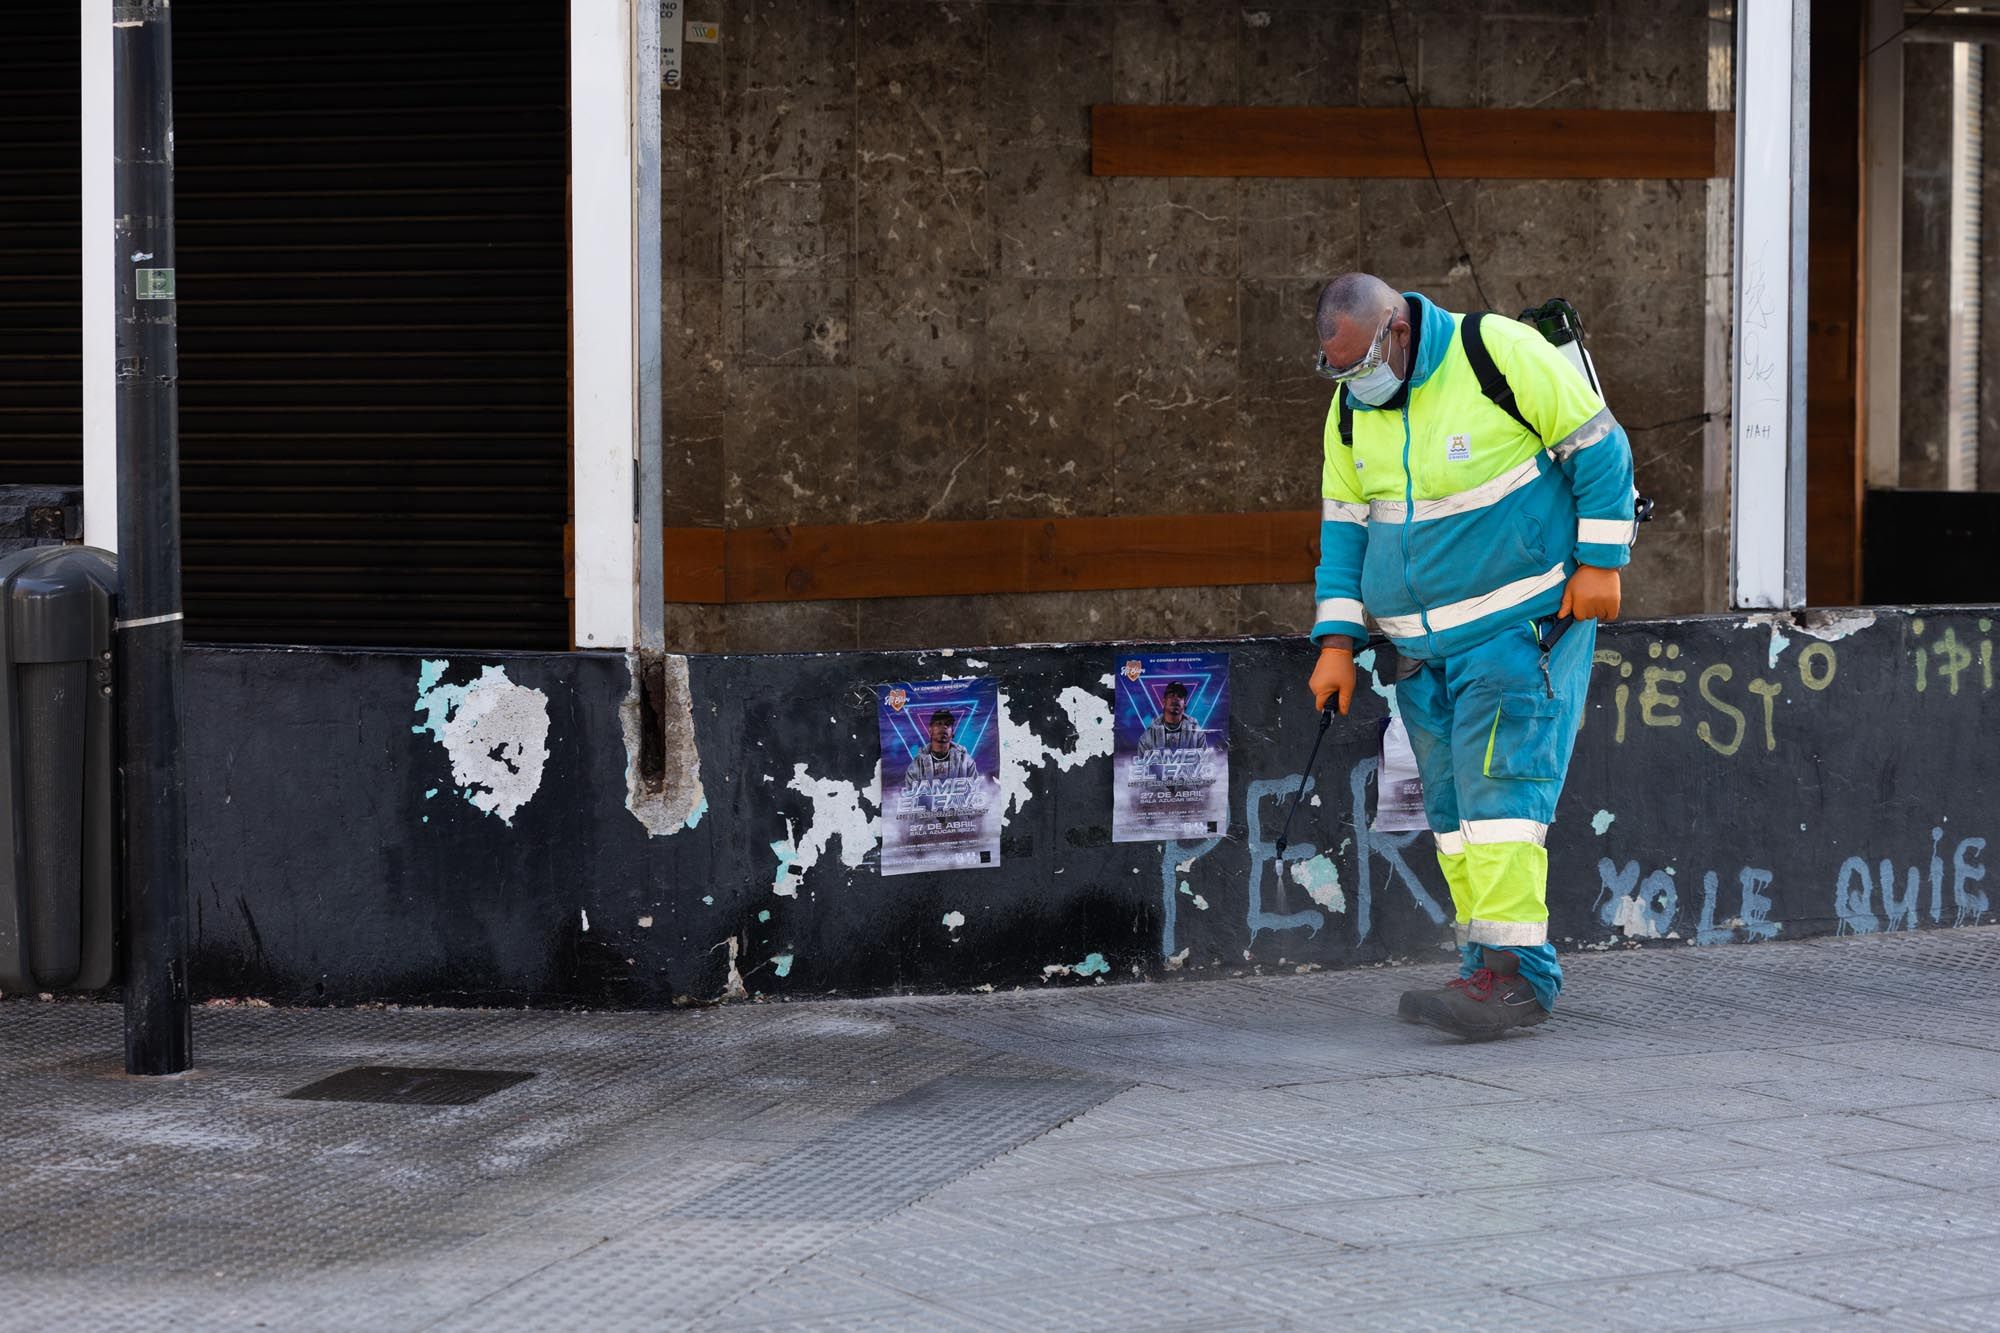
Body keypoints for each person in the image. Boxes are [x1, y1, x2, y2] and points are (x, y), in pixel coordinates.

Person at [1305, 273, 1634, 1040]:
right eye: (1338, 374)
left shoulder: (1498, 354)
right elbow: (1345, 533)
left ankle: (1520, 979)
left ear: (1395, 331)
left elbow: (1599, 448)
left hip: (1517, 633)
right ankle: (1486, 965)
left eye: (1360, 368)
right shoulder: (1352, 416)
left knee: (1502, 805)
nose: (1355, 386)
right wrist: (1335, 645)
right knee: (1455, 818)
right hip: (1422, 656)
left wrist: (1600, 560)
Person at [1136, 682, 1210, 779]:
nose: (1176, 698)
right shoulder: (1148, 736)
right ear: (1164, 702)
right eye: (1171, 695)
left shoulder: (1196, 733)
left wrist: (1187, 788)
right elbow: (1142, 770)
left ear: (1185, 705)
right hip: (1157, 791)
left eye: (1180, 696)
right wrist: (1160, 790)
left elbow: (1204, 766)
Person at [903, 709, 979, 791]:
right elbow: (910, 798)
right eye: (939, 723)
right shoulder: (916, 765)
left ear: (952, 733)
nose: (944, 727)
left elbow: (974, 793)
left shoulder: (966, 761)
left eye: (948, 724)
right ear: (930, 730)